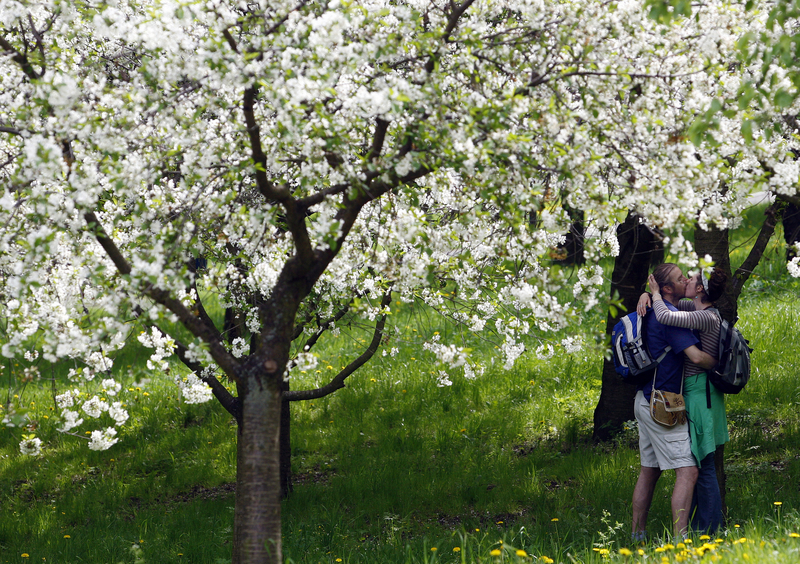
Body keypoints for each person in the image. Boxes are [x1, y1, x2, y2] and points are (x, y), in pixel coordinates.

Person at [638, 267, 730, 533]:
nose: (687, 280)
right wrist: (647, 294)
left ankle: (710, 531)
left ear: (700, 289)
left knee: (705, 464)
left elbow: (666, 313)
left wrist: (654, 293)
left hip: (701, 393)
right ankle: (702, 528)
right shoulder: (693, 307)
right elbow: (671, 304)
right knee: (701, 462)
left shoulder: (704, 316)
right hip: (694, 391)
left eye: (690, 279)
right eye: (683, 278)